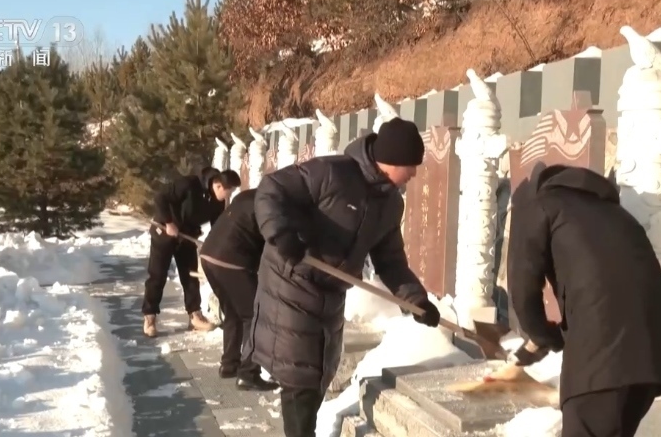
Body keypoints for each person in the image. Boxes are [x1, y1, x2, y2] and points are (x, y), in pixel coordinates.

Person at [249, 118, 442, 437]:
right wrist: (281, 233)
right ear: (393, 159)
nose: (414, 174)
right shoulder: (332, 172)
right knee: (300, 377)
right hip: (292, 281)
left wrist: (417, 301)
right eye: (411, 166)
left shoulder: (391, 204)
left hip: (332, 293)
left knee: (319, 374)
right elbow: (272, 189)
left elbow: (391, 261)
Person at [505, 164, 661, 437]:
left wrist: (543, 336)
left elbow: (523, 286)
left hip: (601, 360)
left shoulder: (539, 204)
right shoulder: (618, 214)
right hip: (652, 356)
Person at [143, 167, 241, 337]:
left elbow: (217, 227)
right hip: (164, 232)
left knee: (190, 276)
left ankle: (195, 315)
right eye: (229, 191)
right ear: (218, 186)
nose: (229, 196)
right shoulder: (189, 184)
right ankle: (150, 317)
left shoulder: (217, 202)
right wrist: (169, 222)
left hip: (187, 237)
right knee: (157, 275)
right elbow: (161, 197)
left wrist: (214, 245)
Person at [199, 188, 279, 391]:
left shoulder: (250, 196)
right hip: (231, 260)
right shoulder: (271, 203)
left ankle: (229, 364)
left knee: (234, 312)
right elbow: (275, 240)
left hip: (209, 255)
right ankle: (248, 373)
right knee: (256, 316)